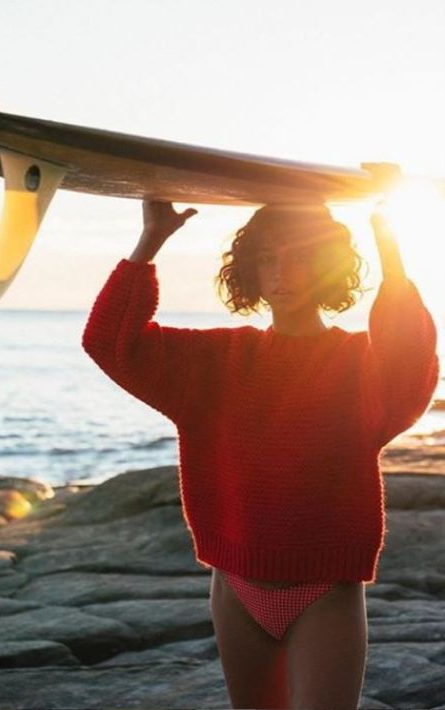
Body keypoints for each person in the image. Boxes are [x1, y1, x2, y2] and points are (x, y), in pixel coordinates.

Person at [82, 198, 439, 709]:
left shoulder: (361, 365)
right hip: (234, 589)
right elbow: (109, 341)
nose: (281, 273)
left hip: (325, 596)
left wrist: (389, 248)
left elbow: (410, 355)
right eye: (269, 257)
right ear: (251, 267)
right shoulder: (219, 361)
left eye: (299, 257)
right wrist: (151, 241)